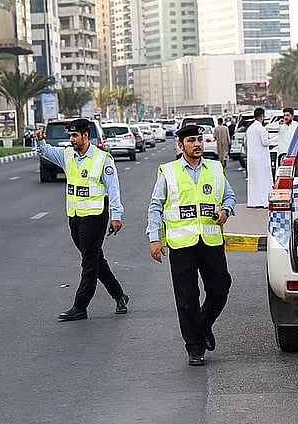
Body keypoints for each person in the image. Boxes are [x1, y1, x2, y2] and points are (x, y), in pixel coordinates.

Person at [147, 124, 236, 367]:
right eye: (191, 141)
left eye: (199, 139)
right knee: (187, 299)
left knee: (220, 288)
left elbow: (229, 196)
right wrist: (154, 238)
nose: (197, 144)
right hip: (182, 244)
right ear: (181, 145)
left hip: (210, 240)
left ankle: (204, 324)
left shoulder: (215, 168)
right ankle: (195, 348)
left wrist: (225, 211)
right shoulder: (169, 172)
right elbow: (156, 206)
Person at [35, 119, 129, 321]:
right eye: (70, 135)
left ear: (86, 136)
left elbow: (113, 189)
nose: (72, 139)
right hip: (75, 216)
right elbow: (45, 152)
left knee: (89, 262)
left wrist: (116, 216)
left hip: (95, 217)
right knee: (95, 259)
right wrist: (40, 141)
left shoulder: (102, 159)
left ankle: (80, 306)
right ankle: (119, 295)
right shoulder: (68, 155)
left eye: (75, 136)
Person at [246, 107, 273, 208]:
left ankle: (254, 201)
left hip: (252, 159)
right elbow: (265, 142)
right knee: (263, 180)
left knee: (254, 181)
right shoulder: (261, 128)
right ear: (262, 116)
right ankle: (264, 201)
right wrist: (274, 140)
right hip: (261, 159)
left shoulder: (250, 129)